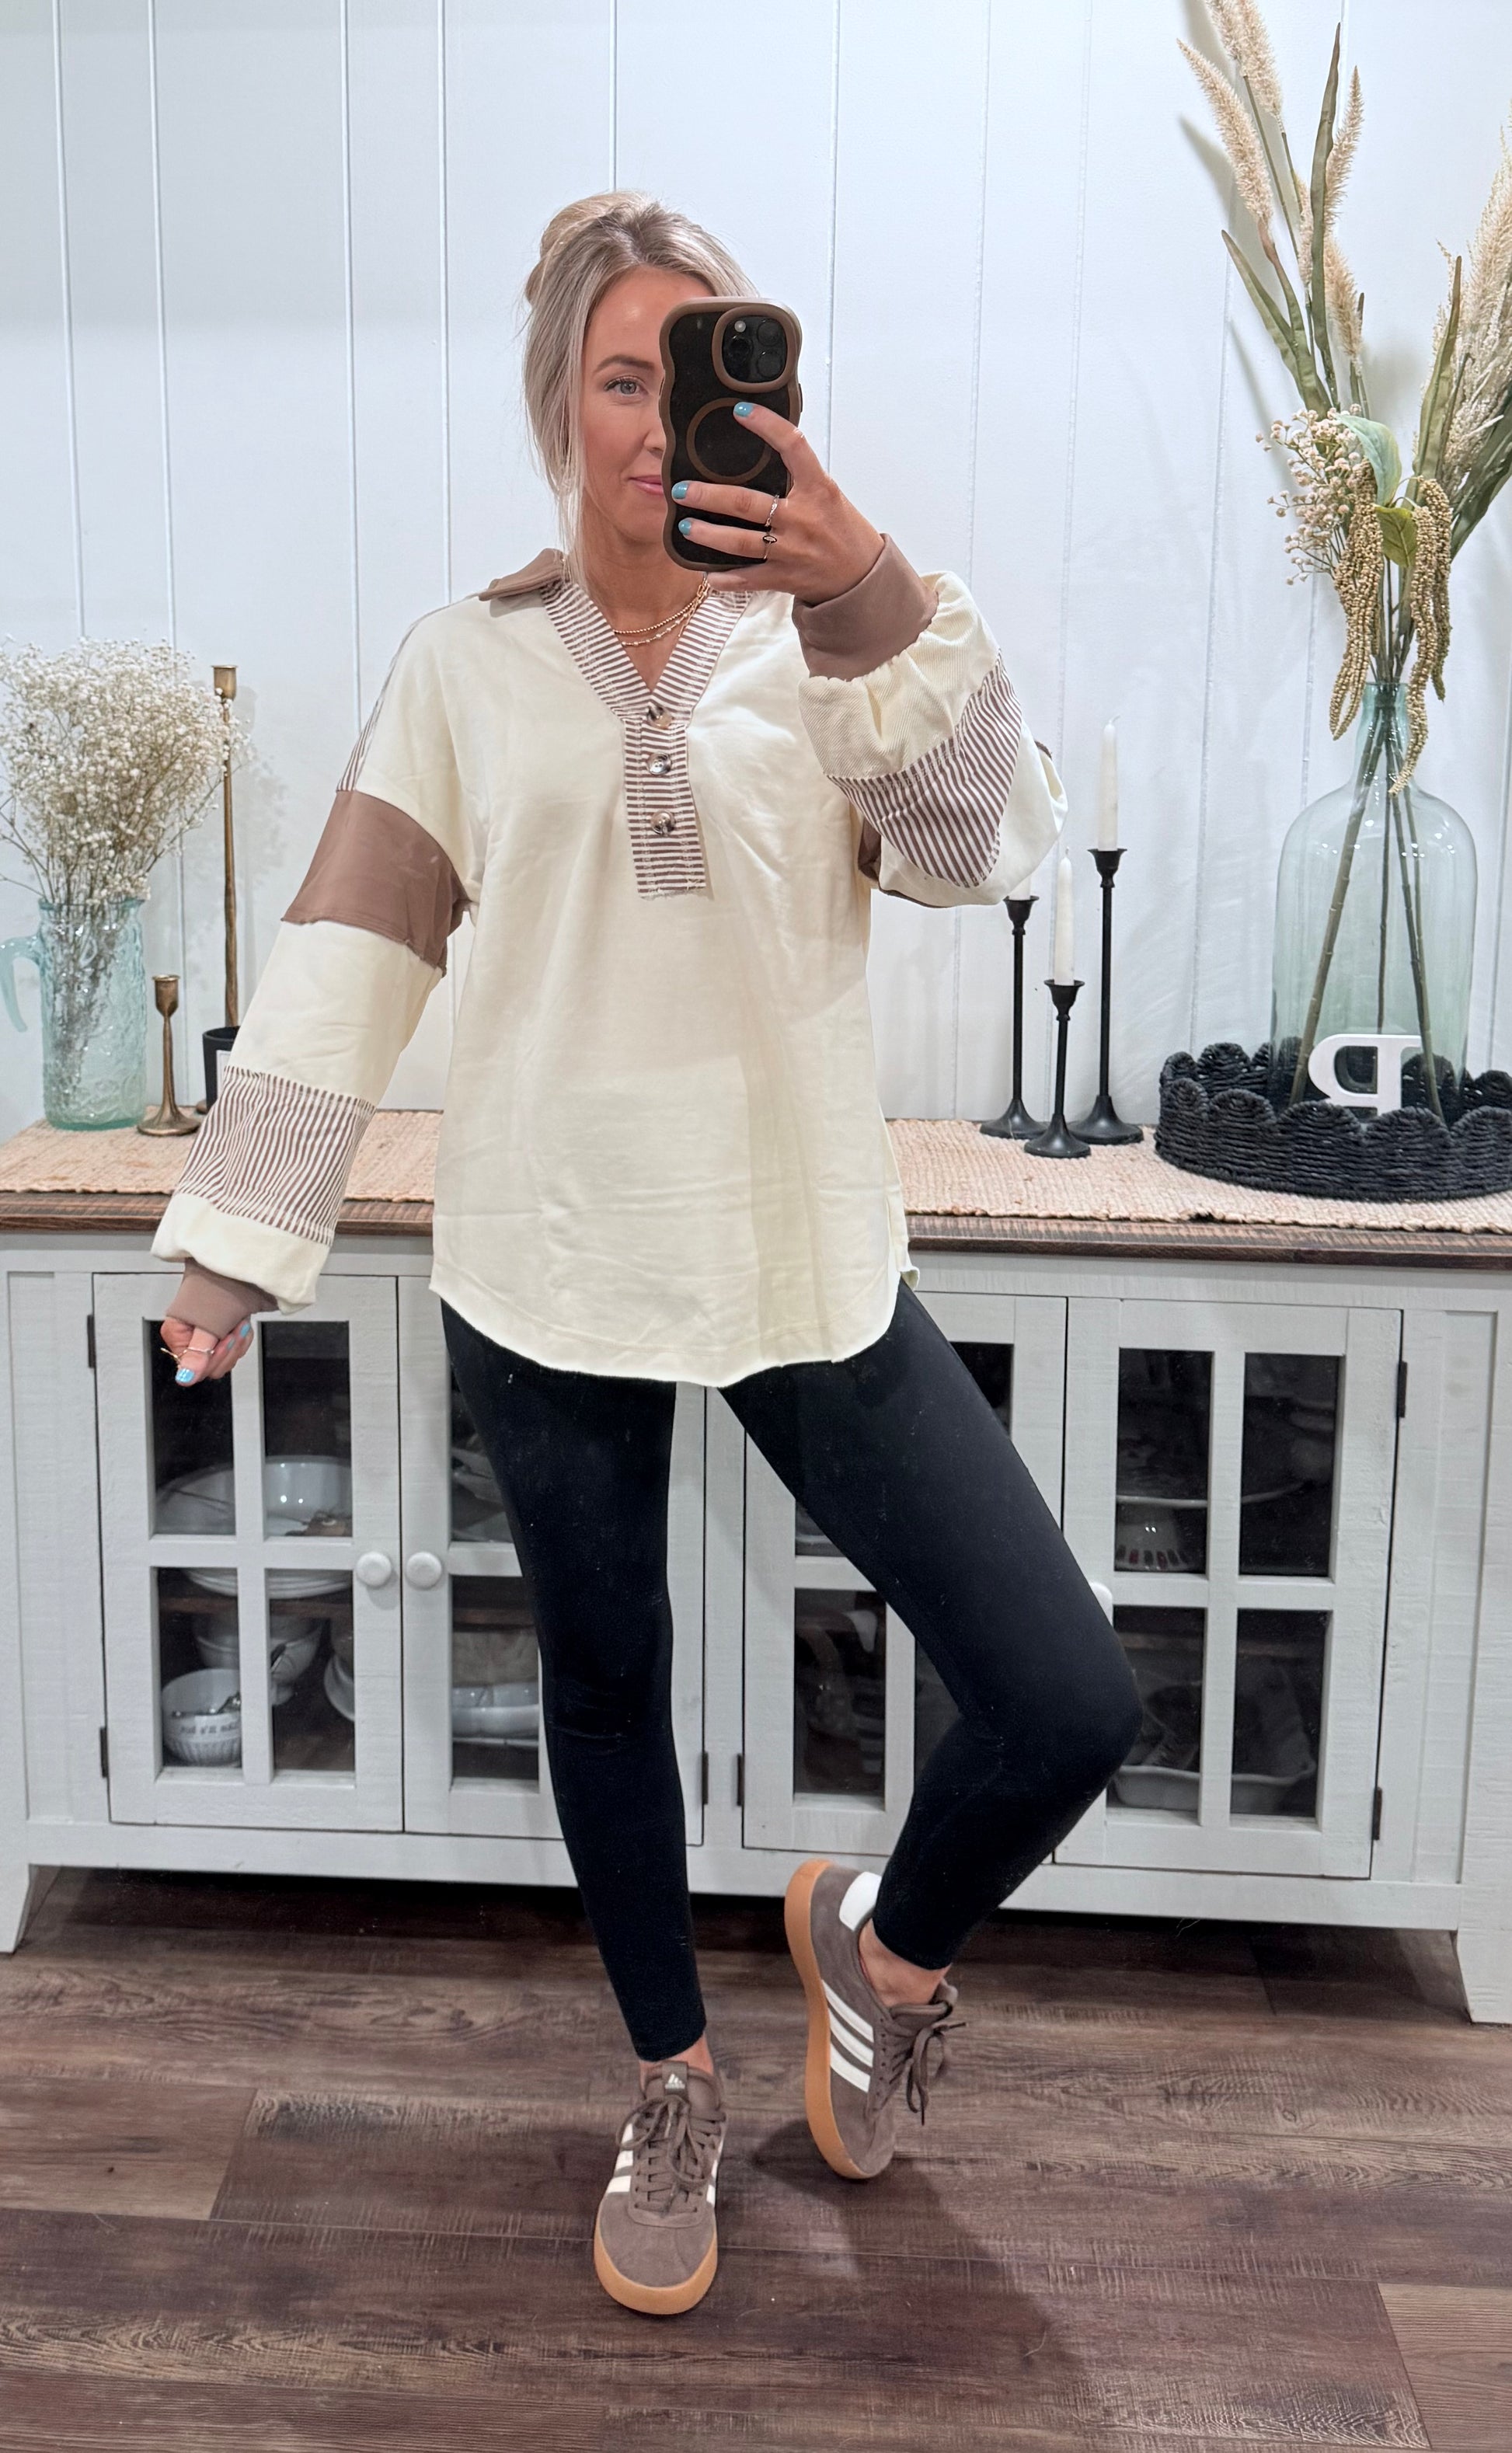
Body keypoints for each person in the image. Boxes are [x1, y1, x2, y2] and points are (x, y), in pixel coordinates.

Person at [155, 191, 1142, 2319]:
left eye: (696, 375)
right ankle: (673, 2085)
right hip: (550, 1254)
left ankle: (879, 1957)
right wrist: (238, 1235)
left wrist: (863, 587)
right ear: (561, 407)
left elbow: (990, 851)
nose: (655, 420)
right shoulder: (463, 668)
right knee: (605, 1684)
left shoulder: (831, 646)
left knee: (1067, 1696)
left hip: (800, 1252)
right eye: (621, 378)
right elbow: (348, 957)